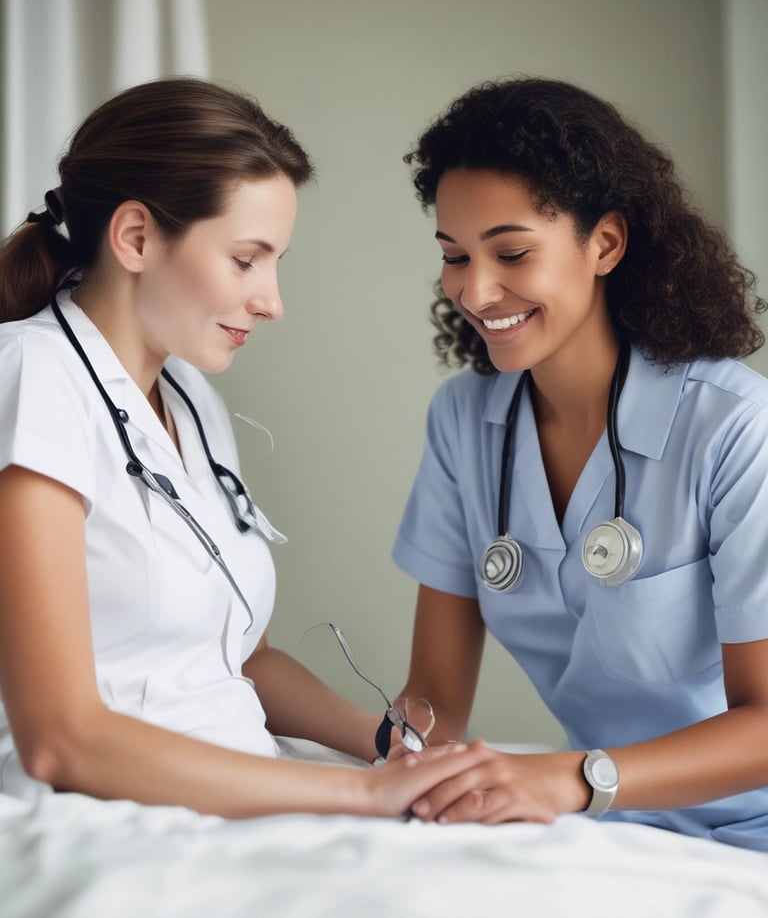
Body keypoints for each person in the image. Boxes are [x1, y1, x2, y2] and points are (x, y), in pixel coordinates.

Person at [0, 76, 487, 818]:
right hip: (100, 814)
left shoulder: (191, 399)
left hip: (240, 784)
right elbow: (63, 740)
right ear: (134, 237)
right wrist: (360, 792)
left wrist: (388, 742)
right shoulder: (32, 374)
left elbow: (242, 659)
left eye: (276, 263)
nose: (272, 301)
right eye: (245, 259)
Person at [387, 75, 768, 850]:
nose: (476, 289)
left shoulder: (732, 428)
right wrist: (400, 757)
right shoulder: (465, 423)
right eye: (455, 255)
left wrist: (571, 779)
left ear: (606, 243)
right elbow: (432, 697)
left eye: (512, 251)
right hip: (611, 832)